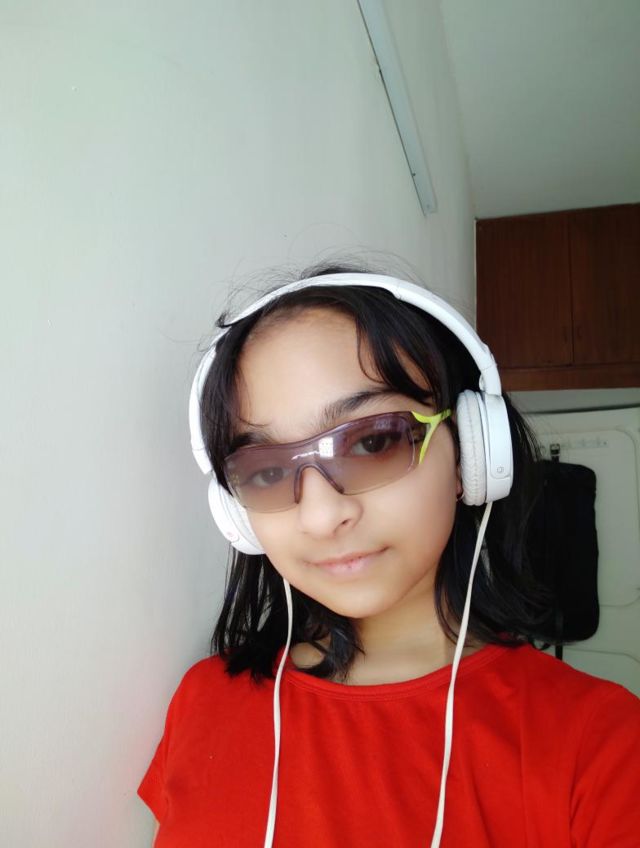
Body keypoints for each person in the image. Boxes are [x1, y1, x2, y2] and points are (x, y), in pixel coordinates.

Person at [137, 264, 640, 848]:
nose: (321, 516)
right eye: (266, 471)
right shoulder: (202, 702)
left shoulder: (602, 743)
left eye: (372, 441)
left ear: (472, 454)